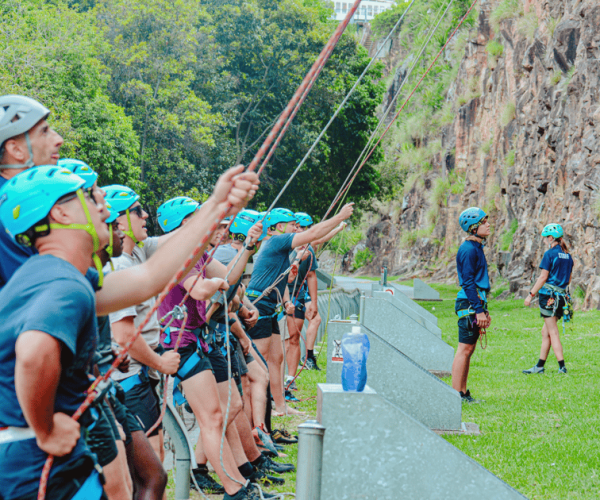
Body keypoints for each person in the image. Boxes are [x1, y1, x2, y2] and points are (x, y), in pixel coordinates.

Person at [0, 163, 259, 500]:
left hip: (38, 455)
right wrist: (46, 428)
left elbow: (149, 278)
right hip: (35, 458)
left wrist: (216, 206)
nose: (105, 208)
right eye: (92, 199)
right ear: (61, 213)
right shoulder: (63, 282)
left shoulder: (60, 275)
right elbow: (34, 353)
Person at [245, 204, 354, 416]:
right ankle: (256, 416)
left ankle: (281, 406)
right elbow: (313, 234)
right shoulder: (276, 241)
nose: (297, 229)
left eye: (297, 225)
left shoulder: (281, 248)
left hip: (270, 305)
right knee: (259, 364)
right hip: (259, 306)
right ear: (277, 226)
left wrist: (286, 302)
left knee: (276, 360)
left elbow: (281, 280)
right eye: (293, 226)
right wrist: (339, 217)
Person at [0, 94, 64, 288]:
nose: (59, 139)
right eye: (44, 131)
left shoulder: (29, 198)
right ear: (16, 150)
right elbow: (38, 293)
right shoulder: (8, 209)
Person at [452, 207, 491, 404]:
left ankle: (463, 392)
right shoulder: (468, 250)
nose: (488, 224)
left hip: (476, 302)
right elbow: (467, 282)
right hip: (468, 302)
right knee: (464, 349)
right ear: (473, 227)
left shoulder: (476, 247)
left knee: (470, 349)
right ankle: (454, 395)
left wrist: (484, 310)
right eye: (484, 222)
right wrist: (478, 310)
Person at [523, 224, 573, 375]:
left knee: (553, 332)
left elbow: (543, 277)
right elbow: (568, 280)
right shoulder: (568, 256)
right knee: (545, 332)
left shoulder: (549, 254)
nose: (544, 241)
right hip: (562, 298)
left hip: (549, 298)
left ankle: (562, 367)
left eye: (545, 238)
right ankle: (539, 366)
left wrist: (530, 294)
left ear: (551, 238)